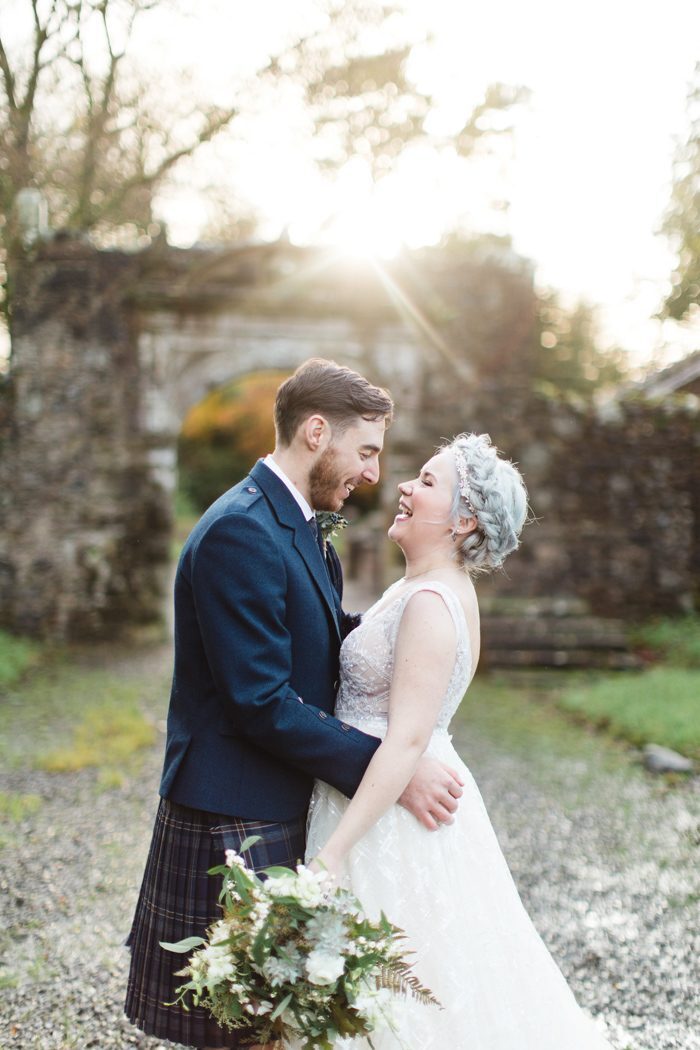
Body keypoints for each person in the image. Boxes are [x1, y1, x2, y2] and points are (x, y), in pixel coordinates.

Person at [124, 358, 465, 1050]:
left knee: (275, 1023)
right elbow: (261, 701)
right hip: (233, 806)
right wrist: (392, 770)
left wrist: (412, 636)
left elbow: (323, 639)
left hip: (270, 795)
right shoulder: (240, 530)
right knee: (236, 1024)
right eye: (365, 451)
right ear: (316, 432)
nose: (372, 474)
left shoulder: (297, 522)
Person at [296, 432, 616, 1050]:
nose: (405, 488)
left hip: (385, 813)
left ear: (463, 518)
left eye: (426, 482)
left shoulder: (432, 603)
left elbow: (407, 740)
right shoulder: (420, 587)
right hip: (376, 793)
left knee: (399, 991)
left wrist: (333, 853)